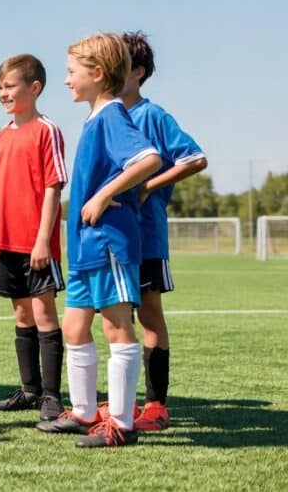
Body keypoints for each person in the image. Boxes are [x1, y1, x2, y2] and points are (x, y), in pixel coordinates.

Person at [37, 33, 160, 448]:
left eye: (72, 72)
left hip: (110, 243)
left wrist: (105, 195)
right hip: (88, 248)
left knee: (115, 328)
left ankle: (122, 424)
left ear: (98, 73)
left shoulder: (111, 115)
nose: (67, 80)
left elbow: (149, 159)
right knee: (73, 327)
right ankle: (86, 412)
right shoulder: (94, 118)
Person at [120, 31, 207, 431]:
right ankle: (122, 400)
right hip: (111, 238)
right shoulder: (106, 115)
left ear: (137, 71)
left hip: (146, 234)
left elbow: (195, 158)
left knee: (150, 313)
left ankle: (156, 405)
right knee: (115, 315)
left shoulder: (152, 116)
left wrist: (147, 186)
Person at [0, 55, 66, 422]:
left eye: (10, 86)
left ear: (35, 88)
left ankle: (50, 395)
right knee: (20, 312)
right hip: (5, 244)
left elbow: (53, 187)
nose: (3, 93)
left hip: (36, 245)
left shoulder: (47, 130)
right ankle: (29, 389)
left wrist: (43, 240)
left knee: (44, 311)